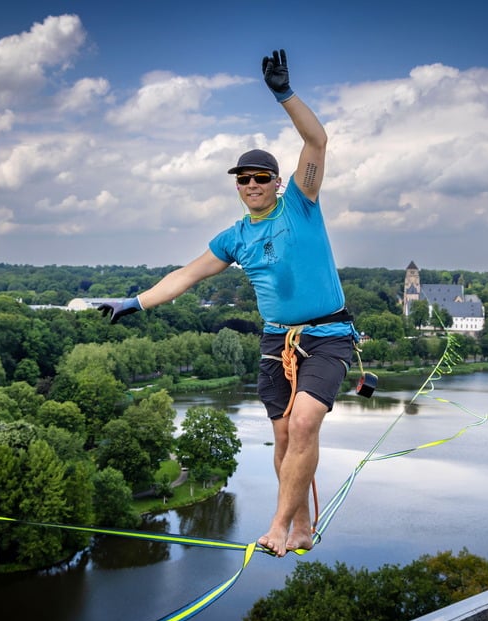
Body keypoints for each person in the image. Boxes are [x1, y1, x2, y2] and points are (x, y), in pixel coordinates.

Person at [99, 49, 354, 558]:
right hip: (276, 341)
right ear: (237, 186)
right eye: (244, 179)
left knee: (304, 424)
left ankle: (278, 526)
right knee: (284, 440)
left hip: (327, 335)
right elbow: (187, 275)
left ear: (277, 183)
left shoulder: (301, 205)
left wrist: (284, 93)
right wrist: (135, 303)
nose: (253, 185)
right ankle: (301, 523)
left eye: (261, 177)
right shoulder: (234, 238)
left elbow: (317, 140)